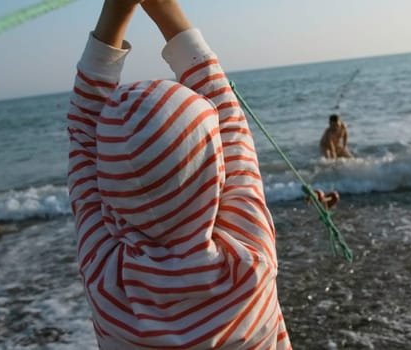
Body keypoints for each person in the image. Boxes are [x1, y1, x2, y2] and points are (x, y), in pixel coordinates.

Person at [66, 0, 292, 348]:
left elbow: (82, 140)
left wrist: (116, 12)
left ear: (107, 186)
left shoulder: (107, 280)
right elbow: (231, 124)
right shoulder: (248, 259)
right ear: (217, 170)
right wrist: (158, 7)